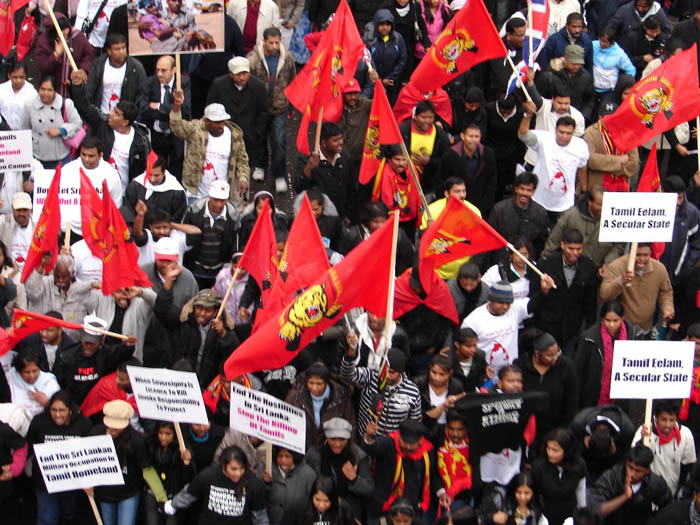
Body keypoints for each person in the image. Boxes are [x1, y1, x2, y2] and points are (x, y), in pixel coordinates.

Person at [88, 399, 168, 525]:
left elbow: (147, 469)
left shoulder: (136, 440)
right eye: (111, 424)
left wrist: (161, 496)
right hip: (104, 494)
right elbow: (87, 463)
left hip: (128, 494)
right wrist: (88, 483)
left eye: (118, 426)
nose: (114, 429)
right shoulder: (95, 434)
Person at [71, 72, 150, 193]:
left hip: (125, 194)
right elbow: (85, 108)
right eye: (114, 111)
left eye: (117, 114)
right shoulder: (102, 124)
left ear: (125, 122)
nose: (111, 114)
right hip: (98, 190)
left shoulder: (141, 141)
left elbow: (144, 172)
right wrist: (77, 86)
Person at [26, 390, 92, 525]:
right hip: (45, 481)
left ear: (70, 410)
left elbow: (90, 453)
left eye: (62, 410)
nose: (57, 414)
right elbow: (30, 446)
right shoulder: (39, 422)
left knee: (68, 514)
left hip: (71, 481)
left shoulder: (83, 424)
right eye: (53, 410)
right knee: (47, 517)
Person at [518, 102, 590, 227]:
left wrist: (584, 190)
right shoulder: (544, 139)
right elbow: (523, 135)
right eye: (561, 132)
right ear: (555, 130)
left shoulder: (581, 146)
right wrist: (528, 115)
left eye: (569, 133)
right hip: (539, 200)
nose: (564, 136)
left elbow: (582, 167)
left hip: (564, 204)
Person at [461, 279, 553, 376]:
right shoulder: (473, 321)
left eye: (508, 303)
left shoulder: (514, 310)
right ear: (491, 300)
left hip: (510, 373)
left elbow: (532, 305)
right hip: (484, 373)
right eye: (501, 303)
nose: (505, 307)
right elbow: (465, 348)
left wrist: (544, 291)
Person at [170, 95, 250, 205]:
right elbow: (176, 126)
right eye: (216, 122)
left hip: (221, 196)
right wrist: (177, 106)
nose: (221, 125)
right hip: (195, 194)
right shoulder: (195, 130)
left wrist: (243, 178)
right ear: (207, 121)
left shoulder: (234, 137)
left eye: (223, 121)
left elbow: (242, 160)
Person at [154, 284, 239, 387]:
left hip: (208, 385)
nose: (202, 313)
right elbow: (162, 311)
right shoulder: (184, 321)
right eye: (199, 308)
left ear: (215, 311)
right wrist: (167, 287)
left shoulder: (224, 328)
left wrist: (223, 334)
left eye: (207, 310)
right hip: (182, 381)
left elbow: (234, 354)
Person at [529, 227, 598, 353]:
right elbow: (533, 297)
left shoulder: (589, 267)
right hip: (547, 328)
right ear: (562, 245)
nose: (575, 253)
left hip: (571, 330)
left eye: (578, 249)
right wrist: (544, 291)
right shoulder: (546, 264)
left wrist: (590, 331)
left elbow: (590, 304)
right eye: (571, 249)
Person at [363, 418, 444, 522]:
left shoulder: (427, 451)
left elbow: (431, 474)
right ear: (399, 436)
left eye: (412, 444)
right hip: (382, 507)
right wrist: (369, 437)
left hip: (411, 510)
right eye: (404, 442)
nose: (408, 446)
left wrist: (441, 492)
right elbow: (372, 448)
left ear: (420, 441)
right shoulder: (389, 443)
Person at [163, 444, 270, 523]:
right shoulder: (208, 475)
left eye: (241, 469)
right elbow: (189, 493)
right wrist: (172, 505)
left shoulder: (253, 483)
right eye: (233, 469)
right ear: (223, 465)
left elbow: (260, 516)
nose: (238, 473)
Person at [247, 26, 296, 193]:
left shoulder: (287, 58)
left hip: (280, 107)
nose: (274, 46)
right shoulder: (252, 59)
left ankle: (279, 174)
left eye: (277, 42)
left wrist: (292, 105)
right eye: (271, 43)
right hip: (259, 108)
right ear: (264, 41)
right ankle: (260, 166)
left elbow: (293, 81)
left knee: (279, 143)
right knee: (259, 139)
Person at [206, 56, 270, 183]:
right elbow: (210, 107)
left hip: (249, 135)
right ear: (231, 74)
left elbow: (263, 112)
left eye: (245, 73)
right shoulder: (218, 85)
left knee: (243, 168)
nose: (242, 77)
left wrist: (257, 132)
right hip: (224, 133)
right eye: (238, 74)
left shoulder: (258, 86)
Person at [340, 341, 421, 439]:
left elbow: (415, 421)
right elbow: (347, 374)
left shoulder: (412, 391)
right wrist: (351, 353)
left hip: (392, 444)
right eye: (384, 369)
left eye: (392, 373)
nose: (387, 375)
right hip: (364, 437)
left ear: (400, 372)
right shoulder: (370, 377)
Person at [52, 315, 137, 404]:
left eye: (93, 343)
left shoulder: (107, 354)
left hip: (98, 405)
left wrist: (128, 346)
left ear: (102, 341)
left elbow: (122, 353)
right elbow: (58, 384)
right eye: (86, 341)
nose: (88, 346)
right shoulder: (66, 356)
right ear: (81, 337)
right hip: (73, 406)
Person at [575, 301, 645, 408]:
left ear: (622, 319)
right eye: (608, 320)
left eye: (615, 320)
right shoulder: (589, 338)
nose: (612, 324)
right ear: (602, 320)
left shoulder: (635, 335)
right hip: (594, 393)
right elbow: (580, 368)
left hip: (622, 393)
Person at [305, 417, 374, 522]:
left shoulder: (358, 456)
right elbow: (306, 485)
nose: (337, 444)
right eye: (333, 439)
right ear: (326, 437)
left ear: (348, 439)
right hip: (321, 512)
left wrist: (354, 479)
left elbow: (369, 490)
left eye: (342, 440)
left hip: (349, 516)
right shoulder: (314, 455)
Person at [514, 330, 579, 439]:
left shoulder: (566, 366)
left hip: (554, 430)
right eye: (549, 356)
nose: (555, 358)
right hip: (525, 430)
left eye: (557, 353)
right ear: (536, 354)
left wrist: (561, 431)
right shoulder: (519, 366)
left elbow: (571, 402)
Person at [542, 186, 624, 271]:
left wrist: (607, 263)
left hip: (597, 271)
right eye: (599, 205)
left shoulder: (615, 218)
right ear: (590, 202)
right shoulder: (570, 216)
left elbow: (618, 246)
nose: (603, 208)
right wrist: (545, 264)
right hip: (571, 269)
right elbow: (553, 242)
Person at [599, 243, 674, 334]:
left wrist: (668, 308)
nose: (642, 259)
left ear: (650, 253)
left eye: (646, 255)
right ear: (630, 252)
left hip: (646, 329)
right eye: (638, 255)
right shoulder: (616, 266)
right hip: (622, 330)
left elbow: (666, 292)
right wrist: (620, 282)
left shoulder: (659, 269)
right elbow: (605, 294)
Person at [588, 444, 672, 524]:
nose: (632, 474)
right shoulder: (611, 478)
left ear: (647, 470)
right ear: (626, 463)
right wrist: (624, 497)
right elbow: (595, 510)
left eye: (637, 471)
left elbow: (668, 506)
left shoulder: (655, 483)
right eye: (630, 467)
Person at [136, 55, 190, 179]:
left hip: (175, 135)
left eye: (163, 70)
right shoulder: (148, 83)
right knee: (155, 165)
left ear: (174, 70)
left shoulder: (183, 83)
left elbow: (185, 109)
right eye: (157, 70)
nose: (159, 74)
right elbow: (144, 109)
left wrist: (159, 107)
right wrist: (172, 109)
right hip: (156, 135)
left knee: (177, 168)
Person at [181, 180, 243, 289]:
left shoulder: (233, 217)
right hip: (195, 269)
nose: (218, 204)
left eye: (222, 200)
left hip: (219, 272)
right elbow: (182, 237)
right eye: (216, 200)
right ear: (209, 196)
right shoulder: (193, 211)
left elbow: (235, 244)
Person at [60, 135, 123, 237]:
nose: (86, 159)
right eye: (83, 154)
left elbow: (115, 205)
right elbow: (60, 199)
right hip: (70, 230)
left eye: (91, 156)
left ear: (100, 155)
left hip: (99, 232)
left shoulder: (111, 175)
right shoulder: (67, 170)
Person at [293, 122, 356, 223]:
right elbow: (299, 188)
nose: (340, 143)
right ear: (324, 143)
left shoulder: (346, 159)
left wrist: (348, 215)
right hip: (318, 219)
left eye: (341, 139)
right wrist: (309, 168)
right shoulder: (307, 159)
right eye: (335, 140)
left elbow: (352, 189)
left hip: (340, 218)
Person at [284, 362, 356, 450]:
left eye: (319, 384)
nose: (314, 388)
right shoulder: (294, 397)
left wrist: (349, 453)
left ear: (326, 383)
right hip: (302, 450)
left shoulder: (341, 397)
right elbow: (285, 423)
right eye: (311, 383)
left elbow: (351, 425)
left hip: (332, 452)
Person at [632, 400, 696, 497]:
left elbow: (687, 467)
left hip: (673, 493)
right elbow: (633, 457)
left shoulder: (686, 434)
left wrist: (679, 492)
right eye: (664, 420)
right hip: (648, 493)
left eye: (671, 420)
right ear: (656, 418)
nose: (668, 425)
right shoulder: (644, 432)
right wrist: (642, 440)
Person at [20, 75, 83, 169]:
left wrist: (61, 130)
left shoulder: (66, 104)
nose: (45, 93)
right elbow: (24, 130)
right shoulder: (29, 105)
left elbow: (77, 123)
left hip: (61, 156)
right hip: (37, 157)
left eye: (49, 90)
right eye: (43, 89)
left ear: (55, 91)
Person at [24, 254, 94, 337]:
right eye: (57, 276)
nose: (60, 280)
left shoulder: (83, 290)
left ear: (72, 274)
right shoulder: (44, 284)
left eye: (64, 277)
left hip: (72, 344)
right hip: (43, 341)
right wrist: (41, 267)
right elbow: (31, 292)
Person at [438, 123, 497, 215]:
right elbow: (441, 180)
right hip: (453, 206)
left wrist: (486, 206)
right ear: (462, 136)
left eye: (476, 136)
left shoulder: (488, 154)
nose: (473, 140)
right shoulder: (450, 155)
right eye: (470, 136)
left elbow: (491, 182)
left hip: (479, 207)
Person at [488, 172, 549, 261]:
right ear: (516, 189)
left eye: (529, 190)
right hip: (501, 261)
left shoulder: (540, 213)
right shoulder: (499, 210)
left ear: (533, 191)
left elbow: (540, 244)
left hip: (527, 263)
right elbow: (490, 238)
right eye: (522, 189)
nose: (525, 193)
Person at [531, 427, 587, 525]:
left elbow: (580, 490)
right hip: (545, 516)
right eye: (548, 448)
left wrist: (582, 515)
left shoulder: (579, 465)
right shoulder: (538, 466)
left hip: (570, 515)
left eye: (555, 450)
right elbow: (533, 494)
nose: (550, 453)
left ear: (567, 451)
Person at [143, 421, 195, 525]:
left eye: (168, 434)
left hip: (174, 498)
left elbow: (190, 478)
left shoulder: (183, 451)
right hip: (153, 494)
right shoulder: (152, 446)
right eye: (160, 433)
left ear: (175, 434)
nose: (163, 437)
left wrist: (187, 463)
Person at [569, 404, 636, 483]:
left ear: (613, 443)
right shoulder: (578, 425)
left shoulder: (627, 431)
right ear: (587, 439)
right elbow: (570, 454)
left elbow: (624, 460)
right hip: (586, 468)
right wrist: (582, 446)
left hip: (610, 470)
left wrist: (615, 454)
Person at [86, 33, 146, 116]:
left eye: (123, 48)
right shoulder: (99, 65)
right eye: (117, 49)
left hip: (125, 119)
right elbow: (89, 91)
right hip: (101, 117)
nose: (121, 52)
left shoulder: (136, 68)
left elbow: (141, 95)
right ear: (109, 51)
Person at [35, 14, 93, 98]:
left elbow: (89, 53)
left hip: (74, 89)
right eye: (62, 30)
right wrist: (56, 55)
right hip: (53, 90)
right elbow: (43, 67)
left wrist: (83, 69)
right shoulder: (43, 42)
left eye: (67, 28)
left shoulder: (77, 36)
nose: (66, 32)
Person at [399, 100, 450, 197]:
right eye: (423, 117)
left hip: (429, 184)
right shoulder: (403, 130)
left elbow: (446, 161)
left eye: (430, 117)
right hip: (404, 181)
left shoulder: (439, 134)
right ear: (415, 116)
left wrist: (429, 161)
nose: (427, 121)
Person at [583, 104, 639, 190]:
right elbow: (591, 160)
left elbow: (634, 164)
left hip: (621, 187)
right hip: (597, 187)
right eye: (607, 118)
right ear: (600, 118)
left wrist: (605, 165)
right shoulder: (590, 133)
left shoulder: (627, 133)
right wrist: (620, 160)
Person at [124, 155, 188, 227]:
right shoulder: (135, 187)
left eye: (156, 175)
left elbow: (178, 220)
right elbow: (128, 214)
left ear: (164, 172)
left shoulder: (177, 192)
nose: (152, 179)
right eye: (149, 174)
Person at [539, 44, 596, 124]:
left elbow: (590, 99)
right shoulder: (550, 75)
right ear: (565, 59)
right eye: (573, 63)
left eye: (579, 64)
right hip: (550, 117)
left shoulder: (586, 77)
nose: (576, 67)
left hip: (574, 118)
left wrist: (584, 116)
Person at [259, 446, 316, 525]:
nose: (283, 460)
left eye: (287, 456)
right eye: (280, 456)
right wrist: (266, 483)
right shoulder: (266, 468)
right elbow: (257, 496)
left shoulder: (309, 474)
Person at [413, 355, 465, 439]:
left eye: (442, 374)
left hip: (448, 433)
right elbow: (422, 418)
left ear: (450, 373)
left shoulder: (456, 386)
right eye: (434, 372)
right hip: (424, 432)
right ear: (429, 369)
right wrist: (444, 406)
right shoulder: (419, 383)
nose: (437, 378)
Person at [659, 176, 700, 279]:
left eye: (680, 198)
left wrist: (685, 268)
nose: (678, 202)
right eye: (674, 199)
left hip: (680, 275)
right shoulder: (654, 211)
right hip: (656, 273)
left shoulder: (692, 213)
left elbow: (697, 244)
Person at [364, 9, 407, 104]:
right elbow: (366, 60)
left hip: (391, 84)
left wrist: (390, 78)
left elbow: (402, 61)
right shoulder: (369, 39)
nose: (385, 28)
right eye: (381, 25)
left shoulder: (398, 39)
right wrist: (379, 81)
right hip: (372, 84)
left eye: (388, 25)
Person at [479, 17, 526, 101]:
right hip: (494, 102)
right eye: (519, 35)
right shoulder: (493, 49)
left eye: (524, 34)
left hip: (519, 103)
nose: (523, 38)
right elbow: (482, 77)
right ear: (509, 35)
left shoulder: (528, 51)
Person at [7, 348, 60, 418]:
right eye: (26, 372)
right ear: (19, 371)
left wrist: (47, 403)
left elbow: (60, 411)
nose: (31, 376)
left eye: (34, 371)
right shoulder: (10, 379)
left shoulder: (49, 382)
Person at [481, 237, 536, 305]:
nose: (522, 258)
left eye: (525, 254)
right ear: (511, 255)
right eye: (518, 254)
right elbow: (481, 290)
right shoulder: (497, 271)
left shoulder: (536, 269)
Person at [591, 27, 636, 100]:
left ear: (612, 42)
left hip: (608, 91)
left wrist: (625, 86)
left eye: (605, 42)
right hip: (592, 88)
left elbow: (631, 70)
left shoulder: (619, 54)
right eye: (601, 40)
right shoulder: (593, 45)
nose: (602, 43)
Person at [621, 15, 667, 80]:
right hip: (635, 72)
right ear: (645, 27)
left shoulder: (662, 38)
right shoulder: (633, 38)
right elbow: (625, 60)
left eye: (657, 32)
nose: (654, 34)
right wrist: (642, 58)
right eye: (652, 31)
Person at [0, 191, 34, 276]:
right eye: (18, 210)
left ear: (30, 209)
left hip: (32, 273)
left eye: (25, 210)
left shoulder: (37, 226)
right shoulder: (3, 222)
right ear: (12, 208)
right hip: (9, 272)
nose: (22, 213)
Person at [448, 327, 488, 392]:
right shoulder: (447, 359)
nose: (473, 350)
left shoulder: (480, 356)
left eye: (475, 345)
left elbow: (481, 377)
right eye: (468, 346)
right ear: (457, 344)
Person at [0, 63, 37, 130]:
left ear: (25, 76)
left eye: (21, 77)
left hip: (24, 133)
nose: (18, 80)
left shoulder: (32, 92)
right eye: (15, 77)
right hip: (3, 133)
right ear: (9, 76)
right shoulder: (2, 90)